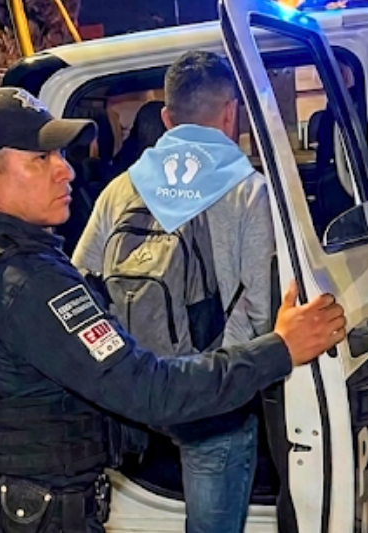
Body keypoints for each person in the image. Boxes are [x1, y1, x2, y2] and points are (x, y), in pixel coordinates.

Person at [0, 86, 346, 533]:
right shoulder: (25, 282)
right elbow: (152, 392)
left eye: (60, 155)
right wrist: (281, 349)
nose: (65, 172)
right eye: (41, 159)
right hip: (37, 519)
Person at [73, 51, 276, 533]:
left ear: (166, 118)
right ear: (231, 114)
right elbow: (262, 309)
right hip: (213, 398)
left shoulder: (121, 188)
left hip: (137, 386)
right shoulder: (249, 190)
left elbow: (83, 281)